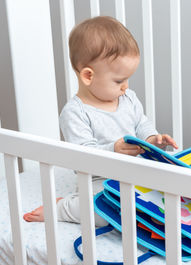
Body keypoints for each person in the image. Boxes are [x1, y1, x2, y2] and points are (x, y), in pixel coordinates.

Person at [23, 16, 178, 226]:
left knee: (171, 194)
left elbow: (141, 123)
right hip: (100, 180)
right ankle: (61, 208)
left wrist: (152, 139)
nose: (125, 86)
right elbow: (82, 159)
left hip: (138, 172)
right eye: (119, 80)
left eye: (127, 79)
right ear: (88, 76)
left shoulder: (128, 98)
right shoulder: (75, 113)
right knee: (104, 215)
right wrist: (114, 150)